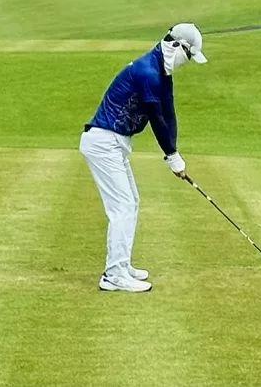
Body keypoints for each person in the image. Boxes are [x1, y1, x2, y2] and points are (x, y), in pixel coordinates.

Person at [79, 22, 207, 292]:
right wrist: (171, 156)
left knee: (131, 202)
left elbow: (169, 114)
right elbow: (155, 116)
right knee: (122, 207)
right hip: (103, 141)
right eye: (188, 55)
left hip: (115, 141)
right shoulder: (147, 71)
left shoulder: (162, 74)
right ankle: (113, 274)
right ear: (175, 46)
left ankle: (121, 265)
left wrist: (175, 152)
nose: (186, 62)